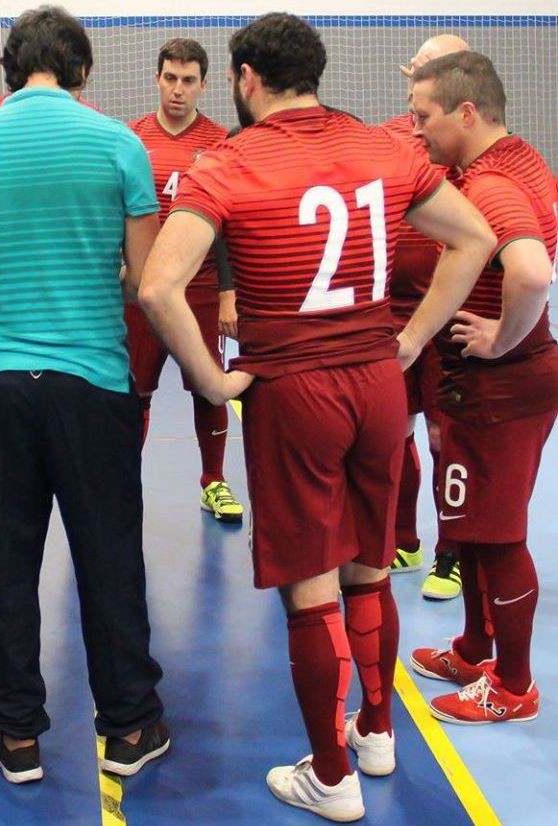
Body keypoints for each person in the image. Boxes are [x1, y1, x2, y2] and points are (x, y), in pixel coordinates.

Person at [138, 13, 494, 821]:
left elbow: (159, 287)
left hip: (294, 388)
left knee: (311, 587)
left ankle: (331, 776)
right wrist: (407, 340)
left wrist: (215, 382)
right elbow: (475, 240)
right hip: (377, 382)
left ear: (246, 78)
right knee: (371, 564)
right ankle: (375, 731)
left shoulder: (225, 163)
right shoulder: (387, 146)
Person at [0, 6, 168, 785]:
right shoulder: (120, 145)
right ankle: (131, 724)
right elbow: (142, 282)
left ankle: (17, 737)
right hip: (93, 383)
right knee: (108, 556)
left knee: (4, 562)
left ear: (7, 70)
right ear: (82, 70)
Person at [407, 52, 557, 724]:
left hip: (499, 387)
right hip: (499, 383)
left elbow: (529, 273)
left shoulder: (491, 187)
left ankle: (515, 686)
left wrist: (501, 336)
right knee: (468, 525)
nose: (418, 132)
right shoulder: (522, 158)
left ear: (467, 113)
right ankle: (474, 648)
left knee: (497, 536)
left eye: (425, 118)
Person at [126, 38, 243, 522]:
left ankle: (213, 482)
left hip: (199, 292)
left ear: (203, 85)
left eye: (188, 80)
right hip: (140, 293)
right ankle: (121, 481)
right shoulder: (130, 139)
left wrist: (228, 292)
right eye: (170, 78)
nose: (178, 89)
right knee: (134, 390)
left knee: (208, 384)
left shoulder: (222, 142)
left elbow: (231, 223)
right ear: (157, 79)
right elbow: (119, 212)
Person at [383, 34, 471, 600]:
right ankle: (402, 539)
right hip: (389, 316)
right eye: (422, 66)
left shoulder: (470, 147)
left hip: (448, 320)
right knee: (392, 434)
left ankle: (452, 554)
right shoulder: (389, 140)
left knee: (446, 437)